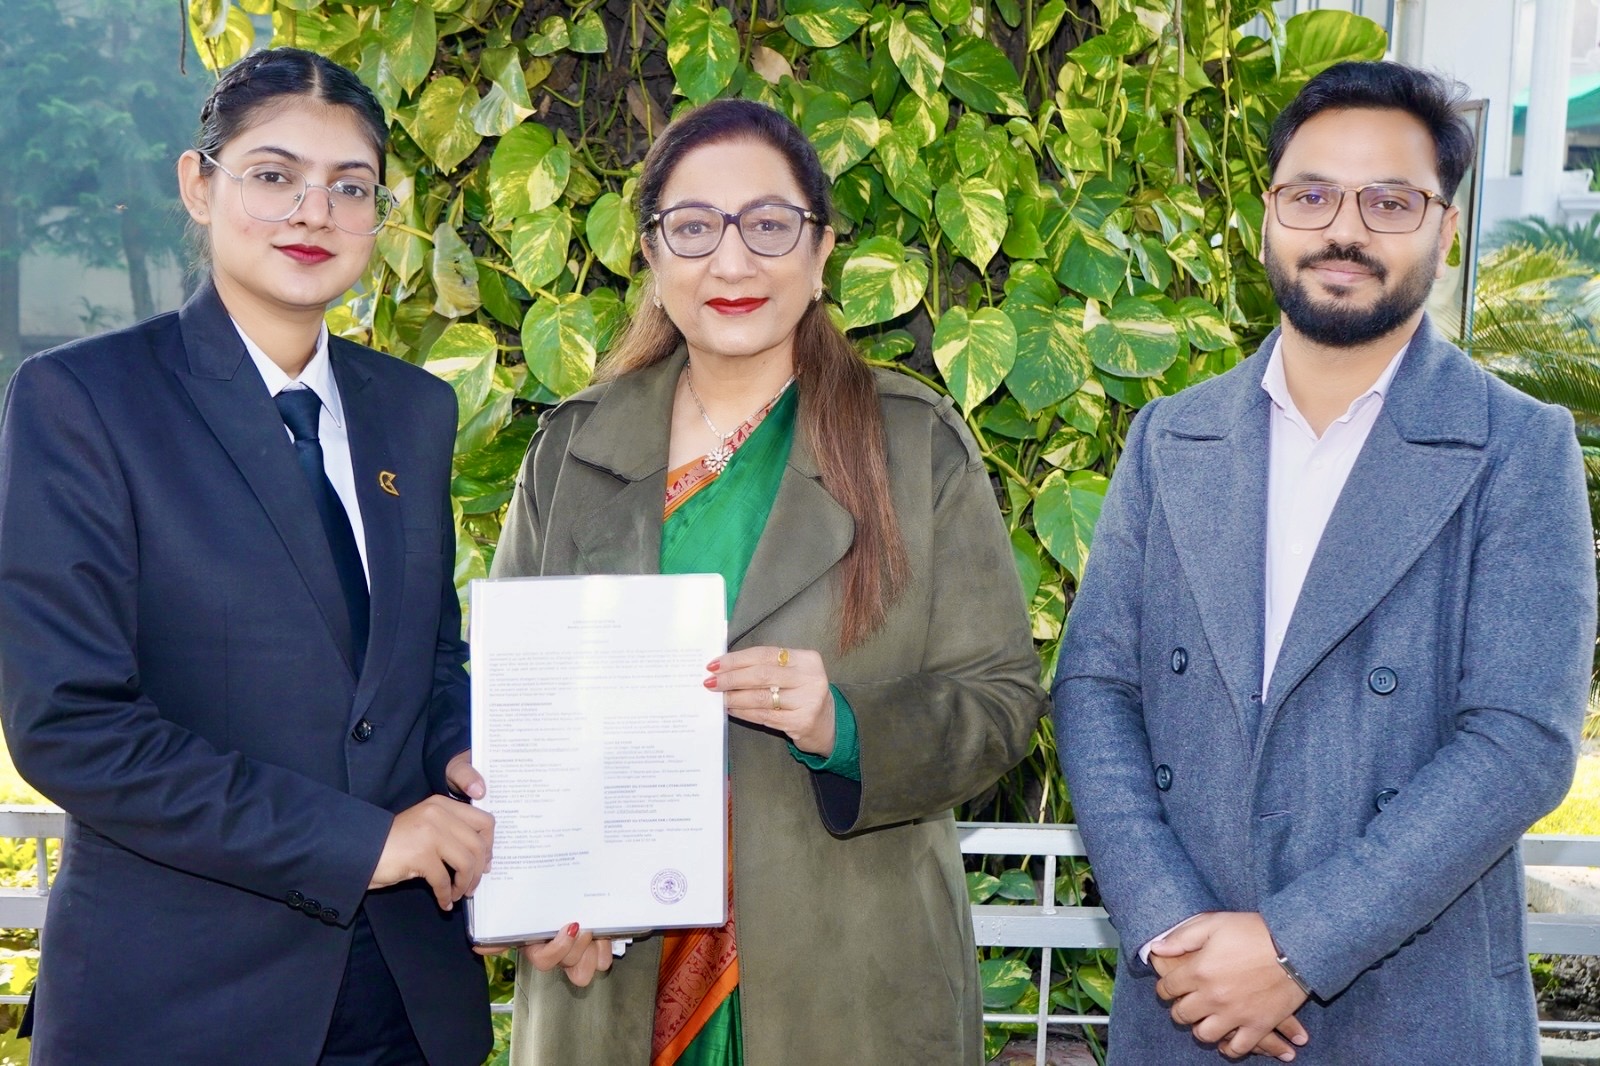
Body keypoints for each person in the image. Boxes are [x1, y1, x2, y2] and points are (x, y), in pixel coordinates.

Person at [1053, 59, 1596, 1065]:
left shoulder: (1517, 446)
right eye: (1310, 195)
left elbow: (1518, 740)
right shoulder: (1170, 438)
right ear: (1267, 215)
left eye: (1389, 201)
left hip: (1415, 1010)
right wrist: (1174, 927)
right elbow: (1094, 686)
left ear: (1445, 230)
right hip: (1186, 1003)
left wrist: (1296, 945)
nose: (1343, 230)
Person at [489, 97, 1048, 1064]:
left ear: (821, 251)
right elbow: (514, 717)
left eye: (769, 225)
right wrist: (539, 902)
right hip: (612, 975)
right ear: (652, 254)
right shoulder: (574, 449)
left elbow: (1001, 703)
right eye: (694, 228)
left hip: (850, 979)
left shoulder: (912, 446)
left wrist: (845, 727)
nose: (733, 262)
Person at [0, 48, 496, 1065]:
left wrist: (459, 748)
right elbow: (71, 723)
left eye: (349, 187)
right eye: (274, 175)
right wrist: (363, 842)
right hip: (182, 1001)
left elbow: (426, 658)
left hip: (404, 996)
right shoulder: (84, 401)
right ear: (199, 184)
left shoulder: (414, 410)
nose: (314, 213)